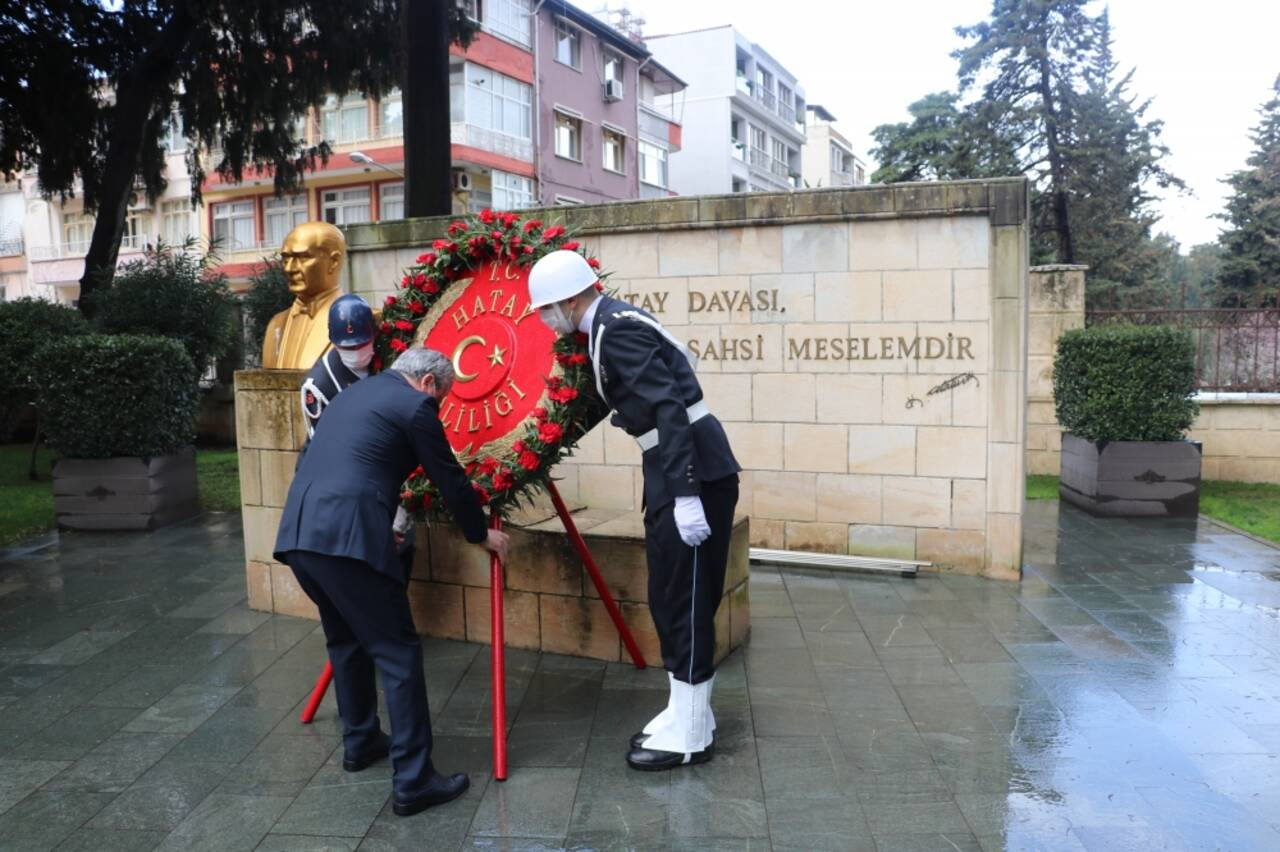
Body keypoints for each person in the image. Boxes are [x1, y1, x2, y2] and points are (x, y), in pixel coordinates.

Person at [528, 249, 741, 772]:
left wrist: (686, 494)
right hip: (676, 465)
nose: (544, 319)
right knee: (671, 595)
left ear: (570, 299)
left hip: (691, 469)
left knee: (683, 600)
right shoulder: (607, 325)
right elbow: (612, 401)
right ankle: (689, 711)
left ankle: (691, 735)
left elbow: (669, 406)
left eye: (546, 309)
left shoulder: (615, 328)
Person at [274, 346, 509, 815]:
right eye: (441, 398)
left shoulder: (355, 394)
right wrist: (481, 534)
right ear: (427, 384)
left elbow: (321, 462)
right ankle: (414, 779)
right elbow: (450, 480)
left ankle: (360, 742)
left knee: (346, 641)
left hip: (301, 535)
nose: (437, 407)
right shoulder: (415, 405)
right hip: (348, 540)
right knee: (398, 652)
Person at [299, 294, 417, 580]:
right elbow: (335, 458)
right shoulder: (318, 386)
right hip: (348, 484)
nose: (356, 352)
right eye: (347, 346)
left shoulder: (387, 356)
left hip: (388, 472)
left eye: (363, 344)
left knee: (403, 551)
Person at [262, 221, 347, 369]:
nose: (289, 268)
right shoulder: (275, 325)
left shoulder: (359, 320)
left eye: (302, 257)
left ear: (334, 261)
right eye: (286, 259)